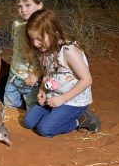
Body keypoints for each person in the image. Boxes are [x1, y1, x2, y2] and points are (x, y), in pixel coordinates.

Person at [23, 9, 101, 137]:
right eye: (32, 39)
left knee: (45, 129)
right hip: (53, 97)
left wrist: (63, 99)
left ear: (53, 32)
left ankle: (80, 119)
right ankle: (58, 116)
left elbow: (87, 80)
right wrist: (42, 91)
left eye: (39, 39)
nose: (35, 43)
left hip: (73, 100)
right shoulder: (45, 49)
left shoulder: (68, 51)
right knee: (29, 122)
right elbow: (47, 73)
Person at [3, 0, 44, 110]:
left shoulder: (43, 30)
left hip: (30, 80)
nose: (23, 10)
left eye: (27, 5)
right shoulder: (17, 26)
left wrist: (36, 75)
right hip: (13, 75)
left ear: (40, 5)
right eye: (19, 6)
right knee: (9, 106)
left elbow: (46, 58)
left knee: (32, 108)